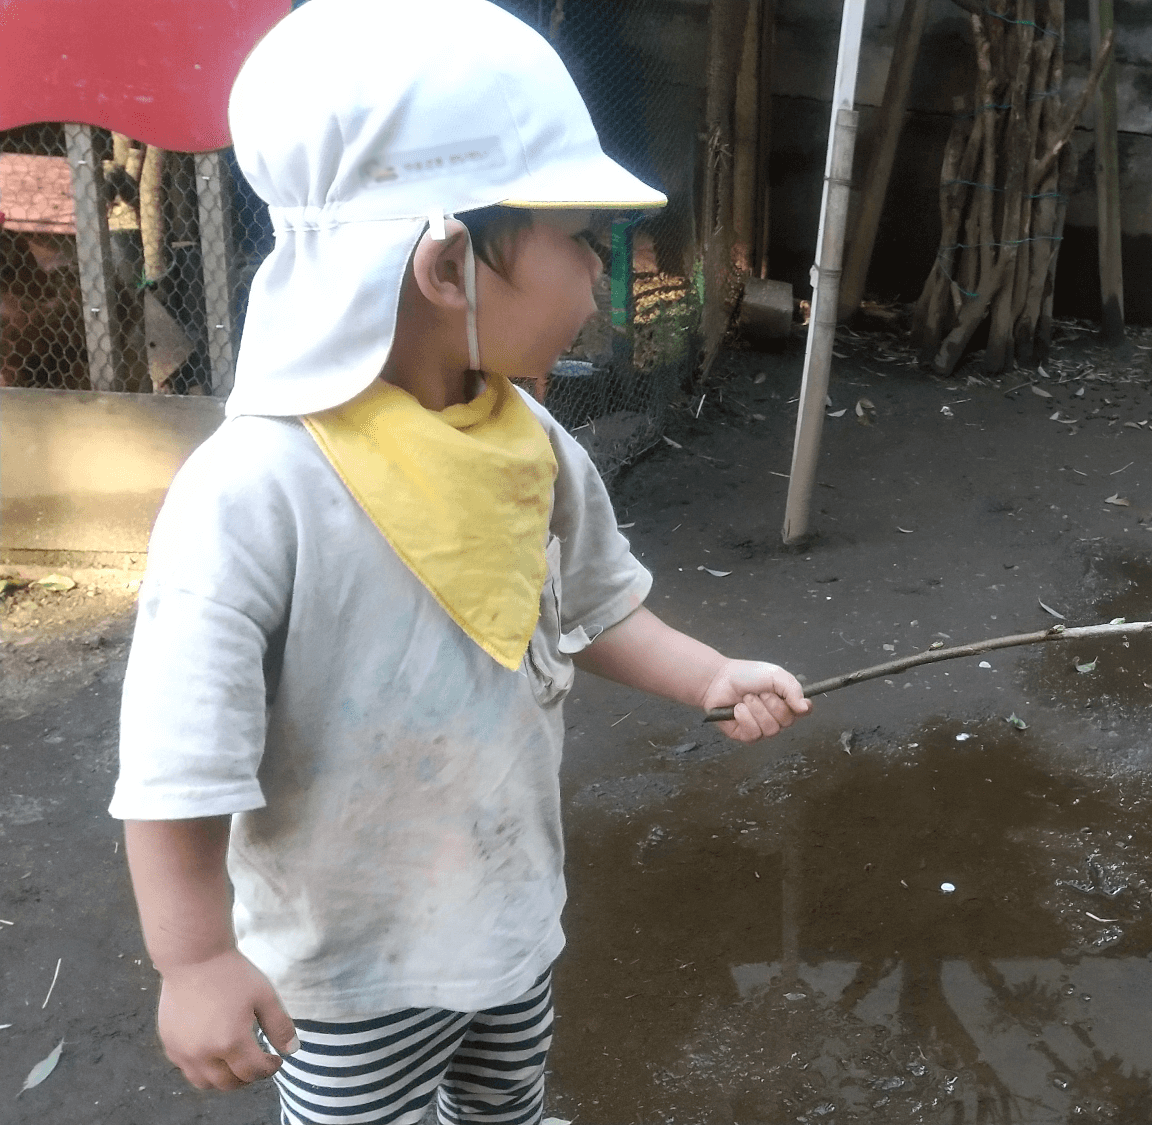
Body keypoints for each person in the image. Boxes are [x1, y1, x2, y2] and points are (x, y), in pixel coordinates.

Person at [107, 2, 810, 1122]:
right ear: (445, 264)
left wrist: (707, 676)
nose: (597, 273)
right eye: (577, 239)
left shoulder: (529, 446)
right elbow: (178, 759)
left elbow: (594, 607)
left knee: (505, 1102)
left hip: (509, 914)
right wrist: (192, 962)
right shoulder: (255, 492)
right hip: (349, 970)